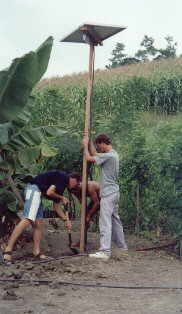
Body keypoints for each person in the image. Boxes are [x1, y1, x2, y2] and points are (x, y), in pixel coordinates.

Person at [2, 170, 81, 263]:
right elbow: (49, 192)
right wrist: (62, 198)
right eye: (77, 183)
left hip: (38, 193)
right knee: (28, 219)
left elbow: (56, 207)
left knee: (39, 224)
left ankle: (36, 252)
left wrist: (65, 220)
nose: (76, 186)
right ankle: (8, 250)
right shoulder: (63, 178)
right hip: (34, 189)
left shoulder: (61, 187)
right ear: (73, 179)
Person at [82, 133, 128, 260]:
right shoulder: (112, 154)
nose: (98, 149)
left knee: (105, 222)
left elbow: (89, 158)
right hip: (113, 193)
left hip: (108, 194)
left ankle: (104, 251)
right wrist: (90, 142)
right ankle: (122, 247)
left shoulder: (109, 156)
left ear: (103, 143)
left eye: (99, 146)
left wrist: (85, 146)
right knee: (115, 220)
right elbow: (96, 155)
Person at [69, 180, 100, 246]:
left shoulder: (90, 187)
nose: (75, 193)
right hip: (95, 200)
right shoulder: (74, 190)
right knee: (84, 220)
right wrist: (85, 216)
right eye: (73, 192)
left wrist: (89, 215)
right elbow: (83, 204)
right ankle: (82, 242)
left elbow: (97, 203)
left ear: (78, 186)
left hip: (103, 198)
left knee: (87, 219)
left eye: (76, 191)